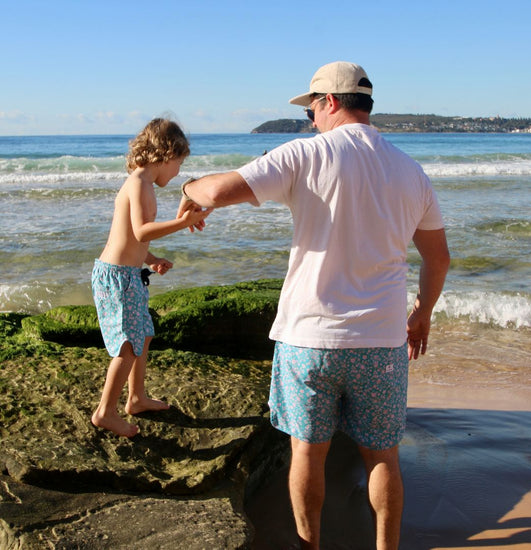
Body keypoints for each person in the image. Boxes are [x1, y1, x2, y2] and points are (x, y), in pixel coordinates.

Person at [177, 62, 450, 549]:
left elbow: (216, 191)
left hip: (309, 339)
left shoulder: (306, 154)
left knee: (307, 453)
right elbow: (438, 257)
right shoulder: (411, 171)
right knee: (383, 457)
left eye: (311, 110)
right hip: (381, 341)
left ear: (330, 102)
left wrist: (187, 188)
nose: (310, 120)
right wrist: (421, 313)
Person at [91, 118, 212, 438]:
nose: (177, 172)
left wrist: (152, 259)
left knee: (143, 336)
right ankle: (105, 412)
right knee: (128, 345)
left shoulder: (140, 182)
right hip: (118, 278)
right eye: (179, 164)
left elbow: (129, 239)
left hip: (127, 274)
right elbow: (142, 231)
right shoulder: (139, 185)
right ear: (167, 154)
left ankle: (136, 398)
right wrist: (183, 222)